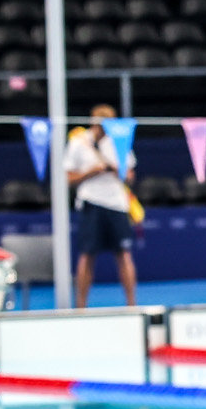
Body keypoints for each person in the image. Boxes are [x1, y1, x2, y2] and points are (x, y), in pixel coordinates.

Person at [65, 104, 137, 307]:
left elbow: (130, 177)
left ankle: (132, 305)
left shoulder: (120, 142)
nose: (103, 129)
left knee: (124, 254)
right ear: (93, 122)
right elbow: (68, 178)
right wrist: (93, 172)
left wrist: (115, 169)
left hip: (117, 204)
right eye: (99, 125)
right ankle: (81, 307)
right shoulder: (79, 142)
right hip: (91, 203)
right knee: (87, 256)